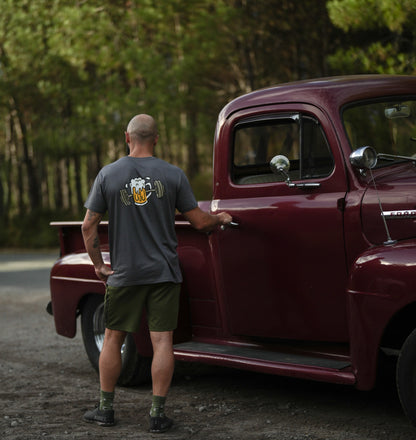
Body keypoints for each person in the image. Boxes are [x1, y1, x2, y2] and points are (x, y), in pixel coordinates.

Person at [81, 114, 232, 433]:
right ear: (157, 139)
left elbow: (88, 225)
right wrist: (221, 218)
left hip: (124, 274)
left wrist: (99, 264)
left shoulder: (109, 174)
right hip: (164, 272)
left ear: (127, 137)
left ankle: (106, 410)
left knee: (112, 337)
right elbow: (199, 222)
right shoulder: (173, 174)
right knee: (163, 342)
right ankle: (157, 415)